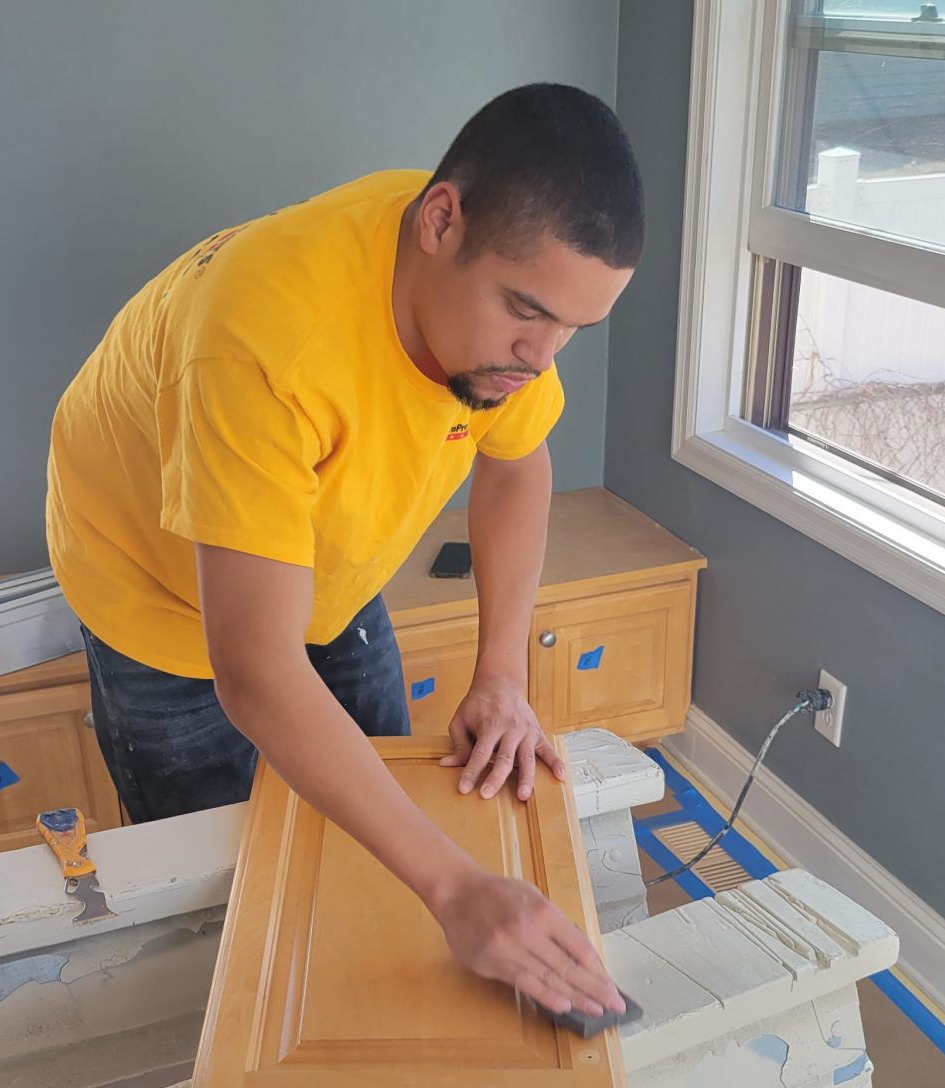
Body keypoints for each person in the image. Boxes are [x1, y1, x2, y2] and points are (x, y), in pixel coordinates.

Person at [46, 82, 644, 1022]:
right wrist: (458, 887)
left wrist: (502, 676)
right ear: (439, 221)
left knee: (382, 825)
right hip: (157, 593)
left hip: (327, 556)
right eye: (527, 313)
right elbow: (256, 673)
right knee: (233, 895)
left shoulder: (501, 304)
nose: (541, 356)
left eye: (573, 328)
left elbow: (517, 466)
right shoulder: (266, 344)